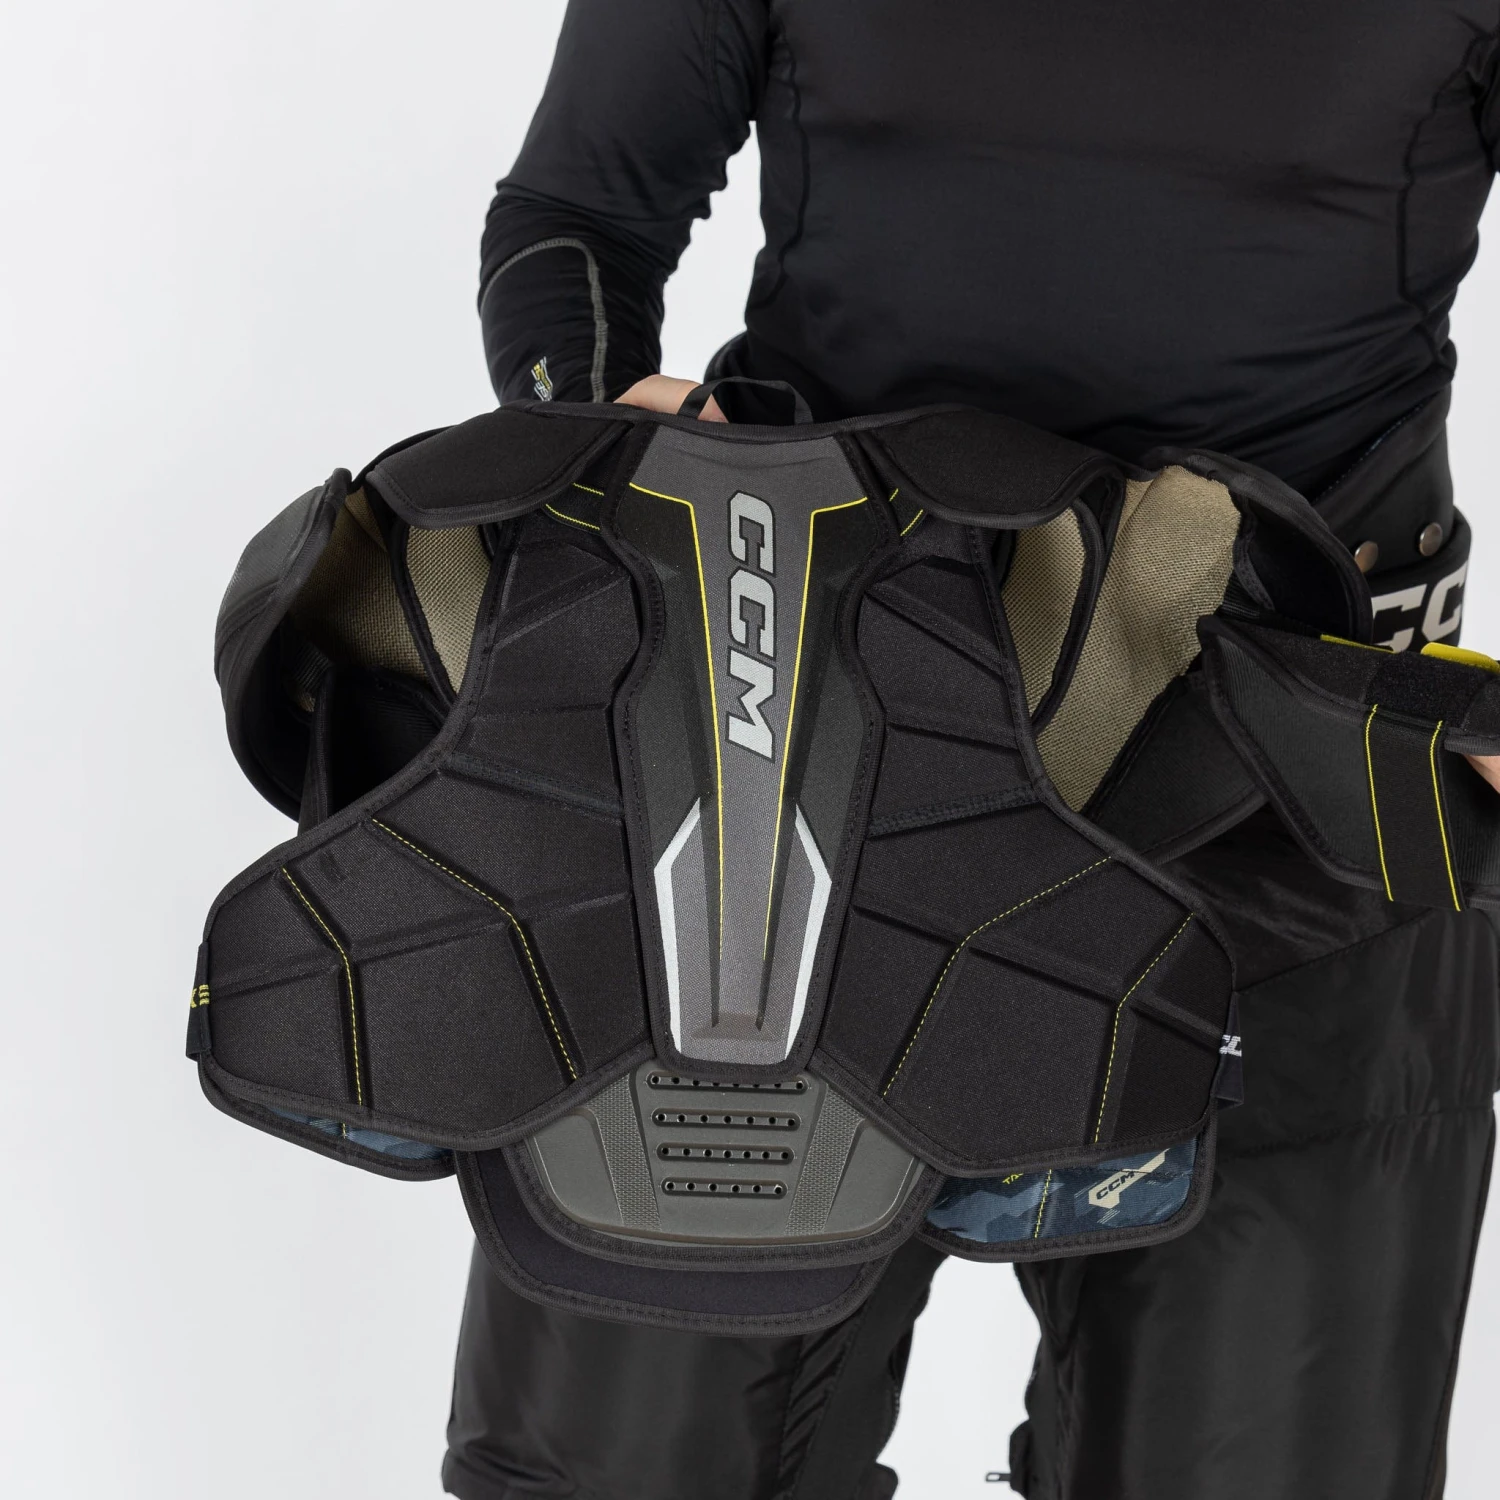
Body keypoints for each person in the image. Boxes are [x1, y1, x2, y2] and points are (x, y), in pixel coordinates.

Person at [440, 5, 1500, 1497]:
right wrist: (609, 424)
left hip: (1291, 789)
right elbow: (576, 214)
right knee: (620, 1471)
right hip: (785, 755)